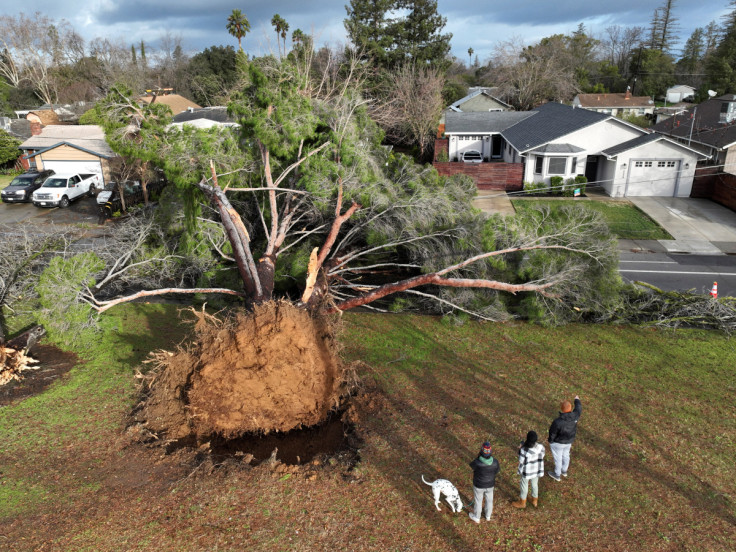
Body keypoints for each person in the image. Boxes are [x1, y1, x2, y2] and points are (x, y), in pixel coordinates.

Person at [547, 395, 582, 481]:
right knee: (566, 455)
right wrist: (577, 400)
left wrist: (550, 441)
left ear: (562, 409)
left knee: (558, 458)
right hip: (569, 441)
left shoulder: (558, 422)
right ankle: (564, 471)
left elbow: (552, 432)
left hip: (558, 443)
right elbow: (579, 408)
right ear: (570, 408)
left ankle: (557, 474)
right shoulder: (575, 416)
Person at [512, 430, 545, 509]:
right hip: (536, 469)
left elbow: (521, 460)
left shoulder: (524, 450)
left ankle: (522, 502)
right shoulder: (541, 447)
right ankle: (534, 500)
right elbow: (543, 455)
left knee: (524, 485)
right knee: (534, 484)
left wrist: (520, 449)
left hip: (527, 471)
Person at [468, 441, 500, 523]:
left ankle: (477, 517)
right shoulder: (495, 462)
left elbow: (472, 466)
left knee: (478, 501)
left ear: (481, 451)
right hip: (490, 485)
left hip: (478, 485)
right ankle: (488, 516)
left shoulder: (477, 462)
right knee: (489, 500)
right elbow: (496, 471)